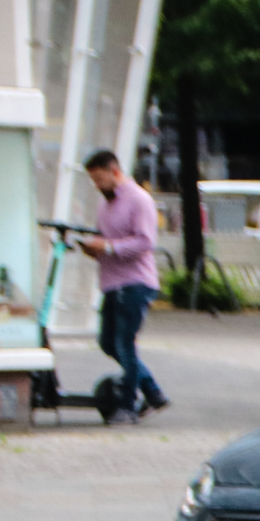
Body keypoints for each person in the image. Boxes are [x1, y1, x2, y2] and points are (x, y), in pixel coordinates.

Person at [79, 150, 166, 423]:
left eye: (100, 178)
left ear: (115, 171)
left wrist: (107, 246)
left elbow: (144, 242)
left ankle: (127, 406)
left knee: (124, 343)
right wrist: (92, 247)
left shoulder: (139, 199)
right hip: (112, 282)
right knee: (108, 342)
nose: (97, 185)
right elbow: (104, 238)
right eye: (93, 180)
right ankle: (152, 391)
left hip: (135, 282)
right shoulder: (105, 204)